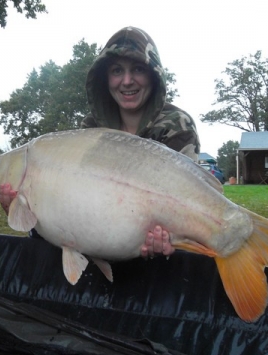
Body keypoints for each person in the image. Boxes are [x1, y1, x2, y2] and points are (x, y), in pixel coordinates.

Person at [80, 26, 200, 258]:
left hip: (161, 263)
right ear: (105, 79)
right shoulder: (91, 129)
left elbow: (186, 204)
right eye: (117, 71)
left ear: (153, 74)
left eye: (137, 69)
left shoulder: (177, 125)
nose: (126, 81)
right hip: (101, 244)